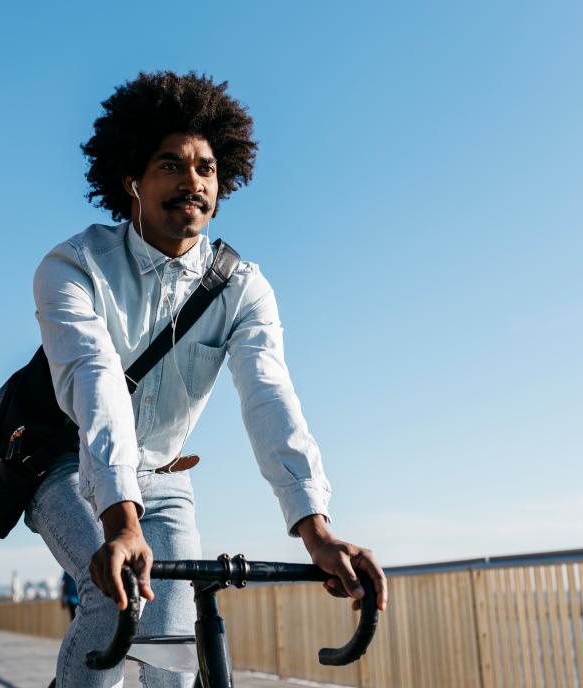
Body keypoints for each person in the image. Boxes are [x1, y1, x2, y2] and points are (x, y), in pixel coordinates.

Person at [27, 71, 387, 688]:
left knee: (171, 649)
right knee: (114, 597)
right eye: (170, 165)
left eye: (206, 168)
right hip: (66, 463)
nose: (192, 181)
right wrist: (120, 523)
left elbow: (270, 396)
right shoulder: (73, 266)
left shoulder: (242, 287)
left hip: (164, 480)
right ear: (130, 180)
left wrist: (316, 530)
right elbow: (97, 384)